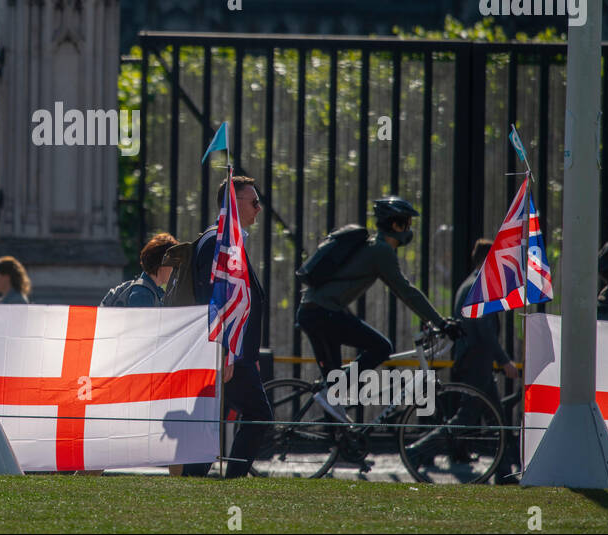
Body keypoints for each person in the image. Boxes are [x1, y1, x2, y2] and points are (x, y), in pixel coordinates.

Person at [296, 197, 452, 410]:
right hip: (323, 314)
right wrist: (441, 323)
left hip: (318, 312)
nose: (409, 229)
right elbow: (406, 292)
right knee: (381, 346)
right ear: (396, 225)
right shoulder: (380, 251)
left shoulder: (371, 247)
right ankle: (332, 392)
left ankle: (338, 441)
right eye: (407, 223)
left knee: (334, 389)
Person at [183, 175, 270, 479]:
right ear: (234, 203)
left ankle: (196, 477)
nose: (259, 208)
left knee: (214, 418)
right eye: (254, 201)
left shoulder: (230, 239)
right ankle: (234, 479)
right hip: (225, 351)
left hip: (234, 352)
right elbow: (212, 297)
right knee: (258, 415)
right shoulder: (218, 241)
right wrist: (222, 350)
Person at [452, 238, 522, 482]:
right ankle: (418, 452)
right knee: (469, 417)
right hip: (476, 359)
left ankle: (504, 472)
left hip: (473, 359)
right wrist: (504, 361)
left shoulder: (470, 284)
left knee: (496, 417)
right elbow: (484, 330)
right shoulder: (480, 286)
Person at [125, 233, 178, 306]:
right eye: (174, 264)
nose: (175, 269)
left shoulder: (152, 291)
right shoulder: (143, 295)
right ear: (162, 263)